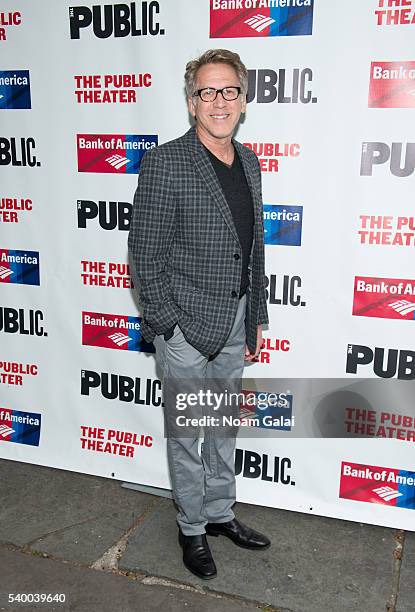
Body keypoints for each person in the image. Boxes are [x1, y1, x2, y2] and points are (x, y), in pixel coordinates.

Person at [128, 49, 270, 580]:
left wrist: (253, 314)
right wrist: (168, 324)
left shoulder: (251, 161)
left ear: (243, 99)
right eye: (208, 92)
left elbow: (252, 248)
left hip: (235, 318)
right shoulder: (167, 162)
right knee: (188, 434)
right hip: (186, 325)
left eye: (229, 90)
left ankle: (219, 513)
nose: (219, 101)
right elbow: (144, 253)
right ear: (192, 103)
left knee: (222, 427)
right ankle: (191, 528)